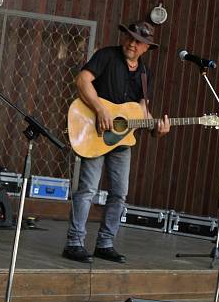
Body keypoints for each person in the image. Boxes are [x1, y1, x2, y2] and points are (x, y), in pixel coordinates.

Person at [63, 21, 170, 264]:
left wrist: (157, 129)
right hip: (95, 131)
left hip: (122, 141)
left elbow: (142, 111)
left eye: (138, 41)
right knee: (88, 188)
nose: (132, 43)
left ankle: (105, 243)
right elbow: (82, 81)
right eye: (129, 37)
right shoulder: (106, 56)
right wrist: (100, 109)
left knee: (119, 193)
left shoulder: (144, 74)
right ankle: (74, 242)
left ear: (147, 47)